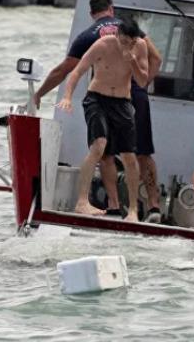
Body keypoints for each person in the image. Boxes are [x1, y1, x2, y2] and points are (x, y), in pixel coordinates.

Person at [34, 0, 164, 222]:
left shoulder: (97, 35)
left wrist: (39, 93)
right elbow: (158, 59)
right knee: (108, 147)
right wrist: (141, 91)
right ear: (111, 9)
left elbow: (63, 70)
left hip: (124, 99)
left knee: (124, 154)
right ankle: (149, 206)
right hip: (108, 97)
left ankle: (123, 206)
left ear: (91, 14)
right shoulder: (104, 40)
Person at [58, 19, 149, 222]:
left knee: (129, 156)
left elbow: (143, 81)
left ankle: (133, 210)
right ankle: (82, 202)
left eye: (131, 42)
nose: (127, 45)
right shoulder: (103, 45)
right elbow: (78, 71)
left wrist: (132, 60)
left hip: (122, 102)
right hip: (97, 98)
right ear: (117, 35)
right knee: (99, 146)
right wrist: (67, 96)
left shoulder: (140, 47)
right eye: (124, 41)